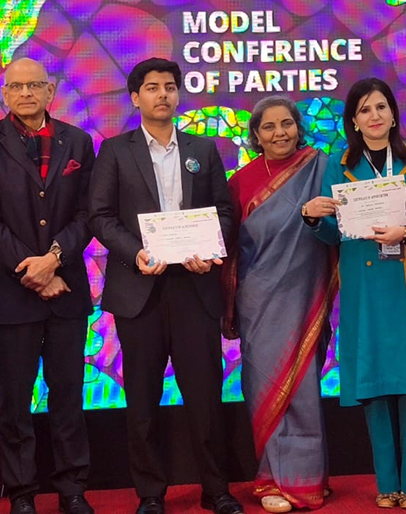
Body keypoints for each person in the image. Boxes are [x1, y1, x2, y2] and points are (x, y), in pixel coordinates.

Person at [88, 57, 243, 514]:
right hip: (141, 288)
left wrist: (211, 248)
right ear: (135, 97)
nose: (163, 94)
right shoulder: (115, 150)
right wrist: (137, 252)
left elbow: (224, 211)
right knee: (142, 400)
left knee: (205, 396)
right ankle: (151, 494)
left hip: (195, 285)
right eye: (153, 87)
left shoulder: (203, 149)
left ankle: (216, 490)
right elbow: (100, 216)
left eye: (170, 87)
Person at [303, 78, 406, 509]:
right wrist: (313, 217)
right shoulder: (339, 165)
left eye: (381, 107)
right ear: (353, 120)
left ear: (393, 114)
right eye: (365, 110)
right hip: (365, 287)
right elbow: (333, 234)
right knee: (374, 384)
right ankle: (386, 483)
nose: (374, 116)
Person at [0, 58, 96, 514]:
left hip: (67, 292)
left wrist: (55, 259)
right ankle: (22, 492)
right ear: (4, 93)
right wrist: (33, 270)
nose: (26, 93)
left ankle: (72, 489)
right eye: (16, 86)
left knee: (68, 398)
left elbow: (88, 213)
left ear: (50, 91)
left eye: (34, 85)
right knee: (15, 402)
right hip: (11, 294)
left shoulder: (77, 141)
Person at [221, 96, 337, 513]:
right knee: (265, 388)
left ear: (298, 127)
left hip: (306, 294)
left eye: (286, 124)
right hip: (259, 300)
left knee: (303, 389)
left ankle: (307, 479)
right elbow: (231, 249)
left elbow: (340, 224)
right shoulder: (241, 182)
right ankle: (271, 479)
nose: (279, 133)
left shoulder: (321, 169)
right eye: (268, 127)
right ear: (256, 135)